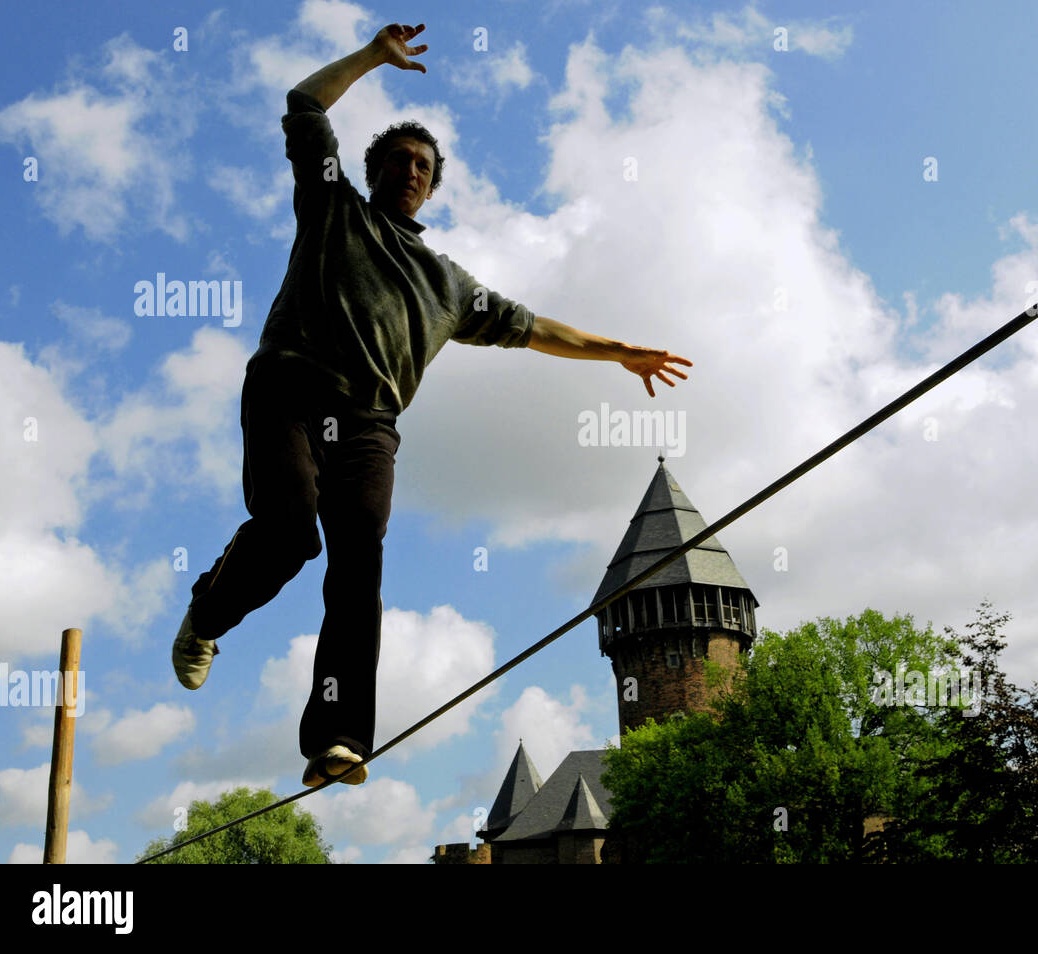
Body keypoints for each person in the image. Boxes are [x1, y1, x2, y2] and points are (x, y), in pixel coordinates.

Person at [171, 22, 691, 788]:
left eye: (423, 166)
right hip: (289, 388)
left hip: (370, 425)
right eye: (398, 160)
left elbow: (536, 327)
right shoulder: (331, 208)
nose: (410, 172)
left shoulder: (450, 285)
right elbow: (302, 102)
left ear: (432, 186)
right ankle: (207, 613)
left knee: (358, 566)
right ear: (374, 170)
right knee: (288, 534)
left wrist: (619, 352)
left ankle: (338, 735)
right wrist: (374, 59)